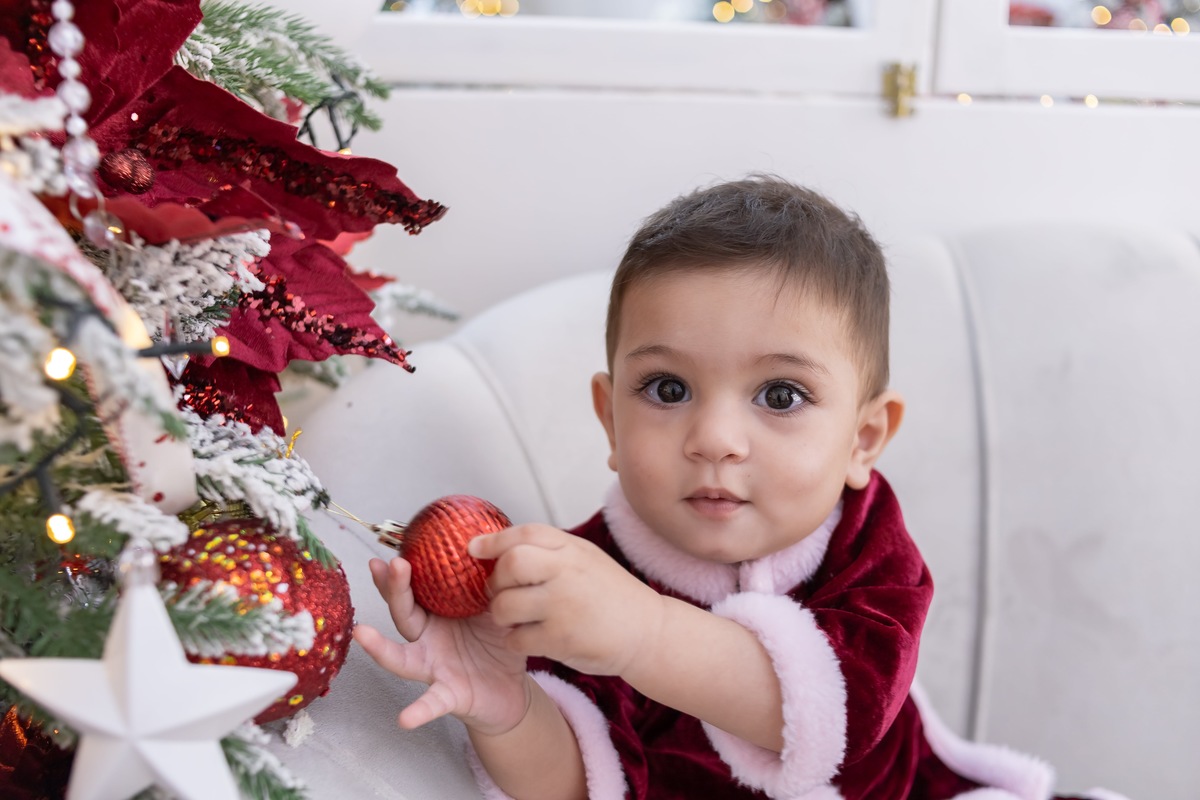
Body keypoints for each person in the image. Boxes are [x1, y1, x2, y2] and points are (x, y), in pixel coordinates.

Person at [353, 176, 1126, 800]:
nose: (715, 439)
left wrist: (643, 633)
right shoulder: (583, 576)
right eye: (666, 389)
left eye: (781, 397)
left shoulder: (867, 545)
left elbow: (841, 717)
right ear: (610, 421)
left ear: (862, 441)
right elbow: (584, 780)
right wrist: (506, 707)